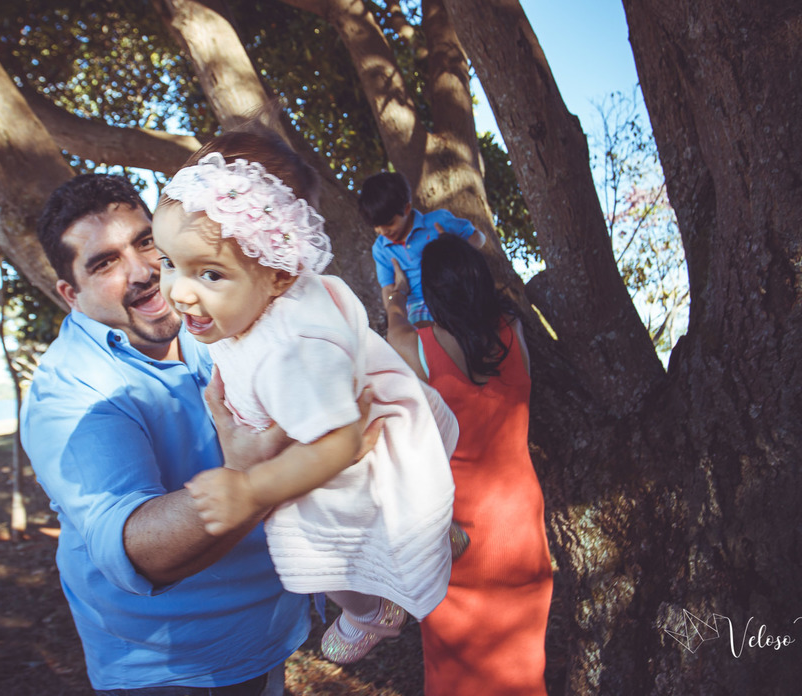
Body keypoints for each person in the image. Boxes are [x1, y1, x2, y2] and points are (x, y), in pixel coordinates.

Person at [21, 172, 379, 694]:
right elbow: (135, 549)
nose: (143, 271)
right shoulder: (73, 394)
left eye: (145, 242)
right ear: (70, 295)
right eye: (105, 263)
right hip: (176, 664)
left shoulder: (210, 315)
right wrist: (253, 475)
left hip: (271, 634)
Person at [151, 131, 457, 666]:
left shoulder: (289, 350)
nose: (177, 290)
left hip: (335, 440)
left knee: (318, 552)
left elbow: (342, 442)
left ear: (277, 274)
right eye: (169, 262)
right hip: (327, 416)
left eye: (209, 273)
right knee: (401, 501)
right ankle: (431, 530)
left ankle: (370, 612)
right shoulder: (250, 305)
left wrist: (251, 490)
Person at [386, 233, 554, 696]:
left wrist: (396, 298)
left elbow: (391, 329)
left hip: (457, 536)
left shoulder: (417, 348)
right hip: (521, 527)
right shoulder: (513, 333)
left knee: (455, 674)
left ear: (433, 294)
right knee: (521, 669)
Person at [357, 170, 486, 323]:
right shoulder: (380, 249)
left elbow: (479, 237)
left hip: (453, 294)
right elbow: (387, 288)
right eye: (376, 226)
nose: (383, 231)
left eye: (389, 223)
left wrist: (455, 250)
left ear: (406, 208)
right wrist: (394, 319)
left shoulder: (438, 220)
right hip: (416, 306)